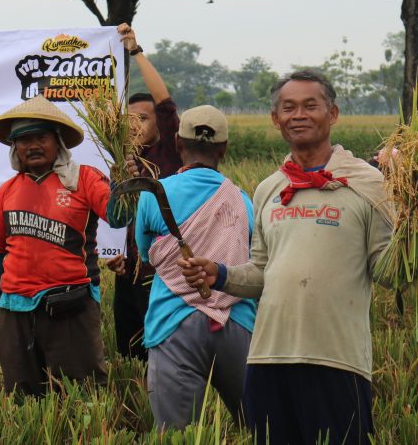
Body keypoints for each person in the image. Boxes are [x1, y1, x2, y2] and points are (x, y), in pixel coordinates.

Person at [180, 71, 393, 445]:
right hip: (267, 360)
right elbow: (263, 271)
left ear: (333, 113)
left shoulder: (367, 183)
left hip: (336, 359)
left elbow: (388, 271)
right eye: (288, 107)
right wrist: (220, 274)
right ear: (275, 119)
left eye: (311, 105)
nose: (299, 115)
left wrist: (411, 226)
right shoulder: (270, 189)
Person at [0, 95, 112, 397]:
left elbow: (118, 214)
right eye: (23, 140)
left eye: (41, 137)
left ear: (58, 142)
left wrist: (129, 181)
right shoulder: (8, 191)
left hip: (70, 306)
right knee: (22, 400)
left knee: (80, 397)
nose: (32, 145)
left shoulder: (84, 179)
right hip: (16, 311)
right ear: (14, 148)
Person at [124, 105, 256, 430]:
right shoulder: (244, 201)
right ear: (223, 149)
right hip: (237, 323)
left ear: (178, 144)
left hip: (173, 322)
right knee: (260, 426)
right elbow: (254, 264)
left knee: (177, 433)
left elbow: (146, 255)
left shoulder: (154, 195)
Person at [106, 23, 182, 362]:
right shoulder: (122, 163)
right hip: (129, 275)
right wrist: (115, 253)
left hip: (166, 275)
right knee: (130, 355)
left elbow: (164, 104)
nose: (135, 126)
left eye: (143, 119)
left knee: (164, 353)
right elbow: (116, 218)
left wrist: (135, 51)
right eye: (129, 120)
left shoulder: (170, 155)